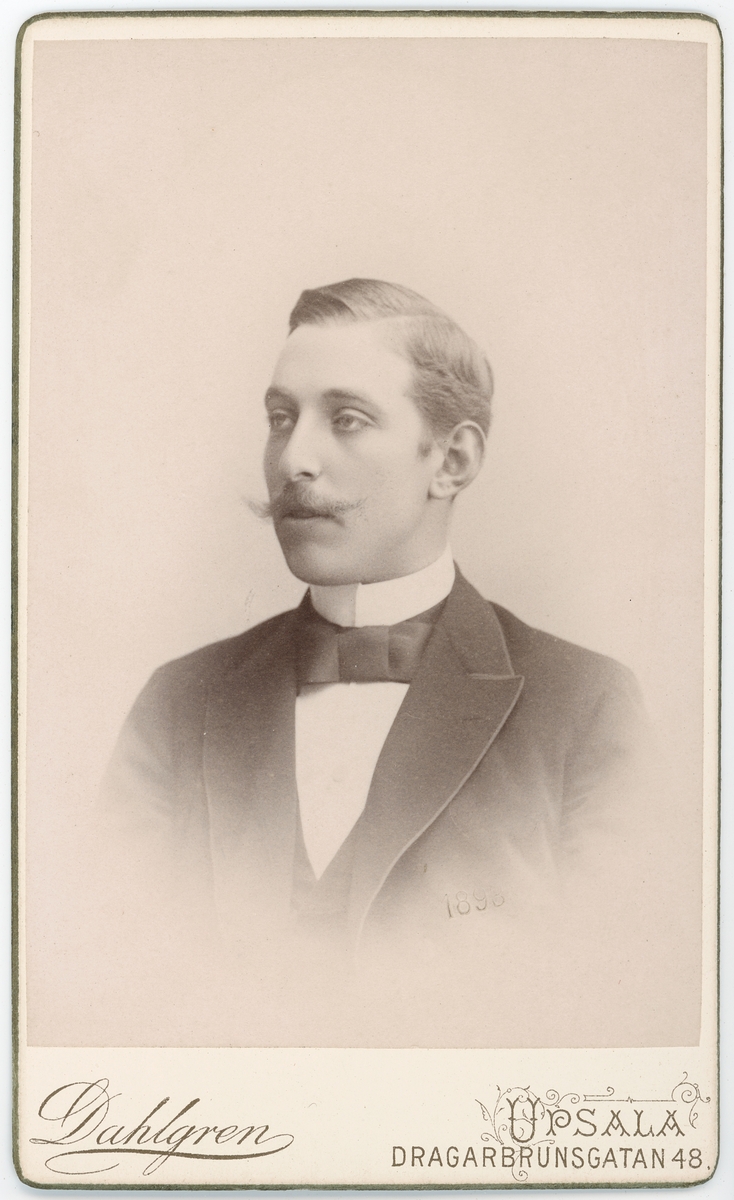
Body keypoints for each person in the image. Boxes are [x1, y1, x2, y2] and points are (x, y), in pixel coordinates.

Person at [100, 279, 656, 1046]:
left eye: (347, 420)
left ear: (452, 460)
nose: (294, 460)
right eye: (281, 418)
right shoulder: (178, 703)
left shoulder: (585, 706)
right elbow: (111, 980)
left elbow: (614, 1002)